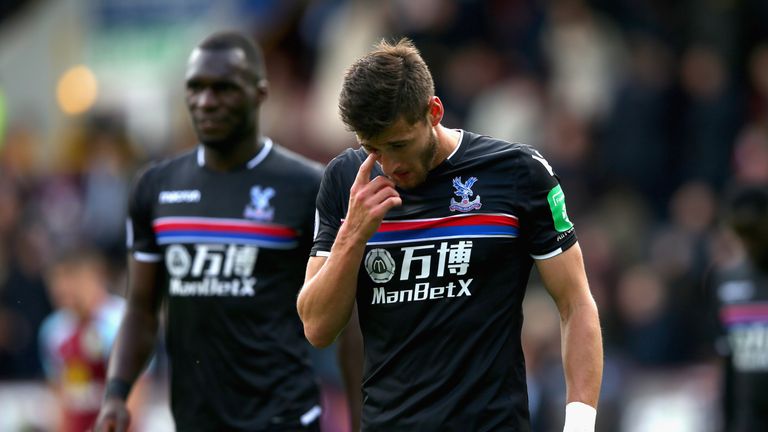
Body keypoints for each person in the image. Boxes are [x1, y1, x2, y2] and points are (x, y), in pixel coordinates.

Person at [297, 38, 603, 431]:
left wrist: (579, 425)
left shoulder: (516, 173)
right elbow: (317, 328)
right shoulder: (346, 182)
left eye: (398, 144)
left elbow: (575, 303)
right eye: (372, 148)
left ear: (434, 111)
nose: (389, 165)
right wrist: (352, 235)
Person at [94, 31, 324, 432]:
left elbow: (347, 319)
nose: (205, 101)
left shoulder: (307, 186)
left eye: (223, 88)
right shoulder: (156, 187)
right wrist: (116, 394)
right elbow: (141, 309)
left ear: (259, 93)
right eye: (195, 88)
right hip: (195, 419)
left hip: (284, 418)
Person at [39, 248, 131, 432]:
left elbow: (135, 394)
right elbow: (62, 399)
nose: (61, 288)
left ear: (93, 277)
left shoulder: (122, 321)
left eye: (70, 278)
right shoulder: (53, 330)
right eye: (55, 282)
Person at [707, 185, 768, 431]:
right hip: (747, 419)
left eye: (754, 231)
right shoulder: (725, 281)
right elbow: (727, 363)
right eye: (743, 232)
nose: (750, 241)